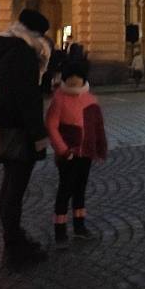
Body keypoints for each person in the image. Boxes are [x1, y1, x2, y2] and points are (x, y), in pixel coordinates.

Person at [0, 9, 52, 267]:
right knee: (15, 188)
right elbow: (26, 98)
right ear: (35, 33)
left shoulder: (5, 47)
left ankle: (15, 239)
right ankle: (14, 247)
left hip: (5, 123)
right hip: (19, 129)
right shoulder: (22, 53)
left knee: (10, 186)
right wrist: (37, 134)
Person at [46, 61, 107, 246]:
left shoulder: (90, 99)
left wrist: (98, 147)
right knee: (65, 191)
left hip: (85, 153)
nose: (74, 83)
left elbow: (97, 125)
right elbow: (51, 125)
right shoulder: (59, 99)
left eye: (77, 80)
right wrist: (63, 150)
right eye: (70, 80)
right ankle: (60, 232)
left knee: (80, 189)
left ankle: (80, 227)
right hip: (68, 155)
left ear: (83, 80)